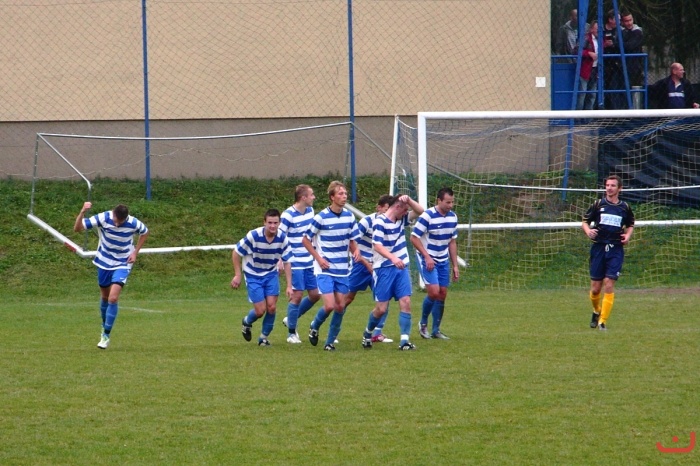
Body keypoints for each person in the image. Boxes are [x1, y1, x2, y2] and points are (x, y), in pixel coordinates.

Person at [73, 201, 149, 349]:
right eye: (115, 220)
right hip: (104, 261)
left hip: (123, 262)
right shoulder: (103, 217)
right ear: (113, 214)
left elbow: (145, 232)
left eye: (120, 222)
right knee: (105, 297)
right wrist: (82, 212)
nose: (117, 224)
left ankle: (106, 335)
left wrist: (135, 252)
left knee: (113, 298)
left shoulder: (133, 223)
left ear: (126, 218)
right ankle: (104, 325)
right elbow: (78, 229)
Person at [302, 181, 361, 351]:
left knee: (340, 306)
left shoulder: (349, 217)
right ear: (332, 197)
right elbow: (305, 240)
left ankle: (329, 342)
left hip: (342, 269)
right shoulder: (321, 217)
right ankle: (315, 325)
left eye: (345, 193)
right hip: (325, 268)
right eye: (340, 194)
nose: (344, 196)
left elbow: (352, 240)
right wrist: (318, 259)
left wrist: (356, 250)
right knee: (329, 306)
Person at [361, 194, 424, 351]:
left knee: (406, 301)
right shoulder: (379, 222)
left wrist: (408, 200)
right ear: (397, 207)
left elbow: (420, 211)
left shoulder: (401, 219)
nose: (406, 213)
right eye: (405, 209)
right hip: (383, 269)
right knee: (381, 309)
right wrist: (393, 258)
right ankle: (367, 333)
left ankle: (404, 341)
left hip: (401, 267)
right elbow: (377, 245)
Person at [582, 175, 635, 331]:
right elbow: (584, 221)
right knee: (595, 289)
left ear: (620, 188)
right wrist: (588, 231)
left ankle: (602, 322)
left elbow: (631, 224)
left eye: (613, 185)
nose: (609, 188)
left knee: (609, 283)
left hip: (616, 249)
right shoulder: (598, 204)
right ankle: (596, 310)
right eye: (607, 185)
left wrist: (627, 236)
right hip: (598, 248)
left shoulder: (624, 207)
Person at [233, 209, 292, 346]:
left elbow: (287, 262)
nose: (272, 226)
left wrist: (289, 285)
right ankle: (247, 322)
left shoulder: (283, 238)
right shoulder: (253, 236)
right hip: (253, 274)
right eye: (270, 222)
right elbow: (236, 253)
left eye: (275, 223)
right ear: (264, 222)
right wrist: (237, 275)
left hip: (271, 273)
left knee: (271, 307)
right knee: (260, 311)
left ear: (279, 223)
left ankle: (263, 338)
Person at [344, 194, 395, 344]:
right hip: (360, 265)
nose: (388, 213)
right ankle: (332, 331)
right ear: (379, 208)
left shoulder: (392, 223)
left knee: (384, 298)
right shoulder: (367, 221)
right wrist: (364, 261)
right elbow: (352, 242)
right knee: (347, 298)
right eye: (386, 209)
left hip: (378, 265)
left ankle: (376, 333)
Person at [410, 187, 459, 340]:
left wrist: (455, 265)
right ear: (439, 200)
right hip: (427, 258)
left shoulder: (453, 217)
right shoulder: (427, 216)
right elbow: (414, 237)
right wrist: (427, 257)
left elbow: (452, 242)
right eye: (447, 202)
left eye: (452, 202)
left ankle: (436, 330)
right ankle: (423, 323)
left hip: (443, 259)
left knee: (442, 293)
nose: (450, 205)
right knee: (433, 292)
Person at [278, 184, 321, 344]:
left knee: (315, 294)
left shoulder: (310, 211)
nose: (314, 197)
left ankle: (291, 319)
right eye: (311, 195)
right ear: (303, 198)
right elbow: (280, 237)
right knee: (296, 296)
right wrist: (280, 260)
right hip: (294, 261)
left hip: (309, 260)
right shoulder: (288, 215)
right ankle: (291, 334)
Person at [576, 20, 599, 110]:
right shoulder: (586, 38)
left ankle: (589, 115)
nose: (599, 31)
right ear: (591, 29)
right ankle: (579, 115)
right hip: (585, 70)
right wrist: (588, 53)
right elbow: (576, 50)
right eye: (597, 29)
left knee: (592, 94)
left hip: (596, 69)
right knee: (582, 93)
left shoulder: (600, 39)